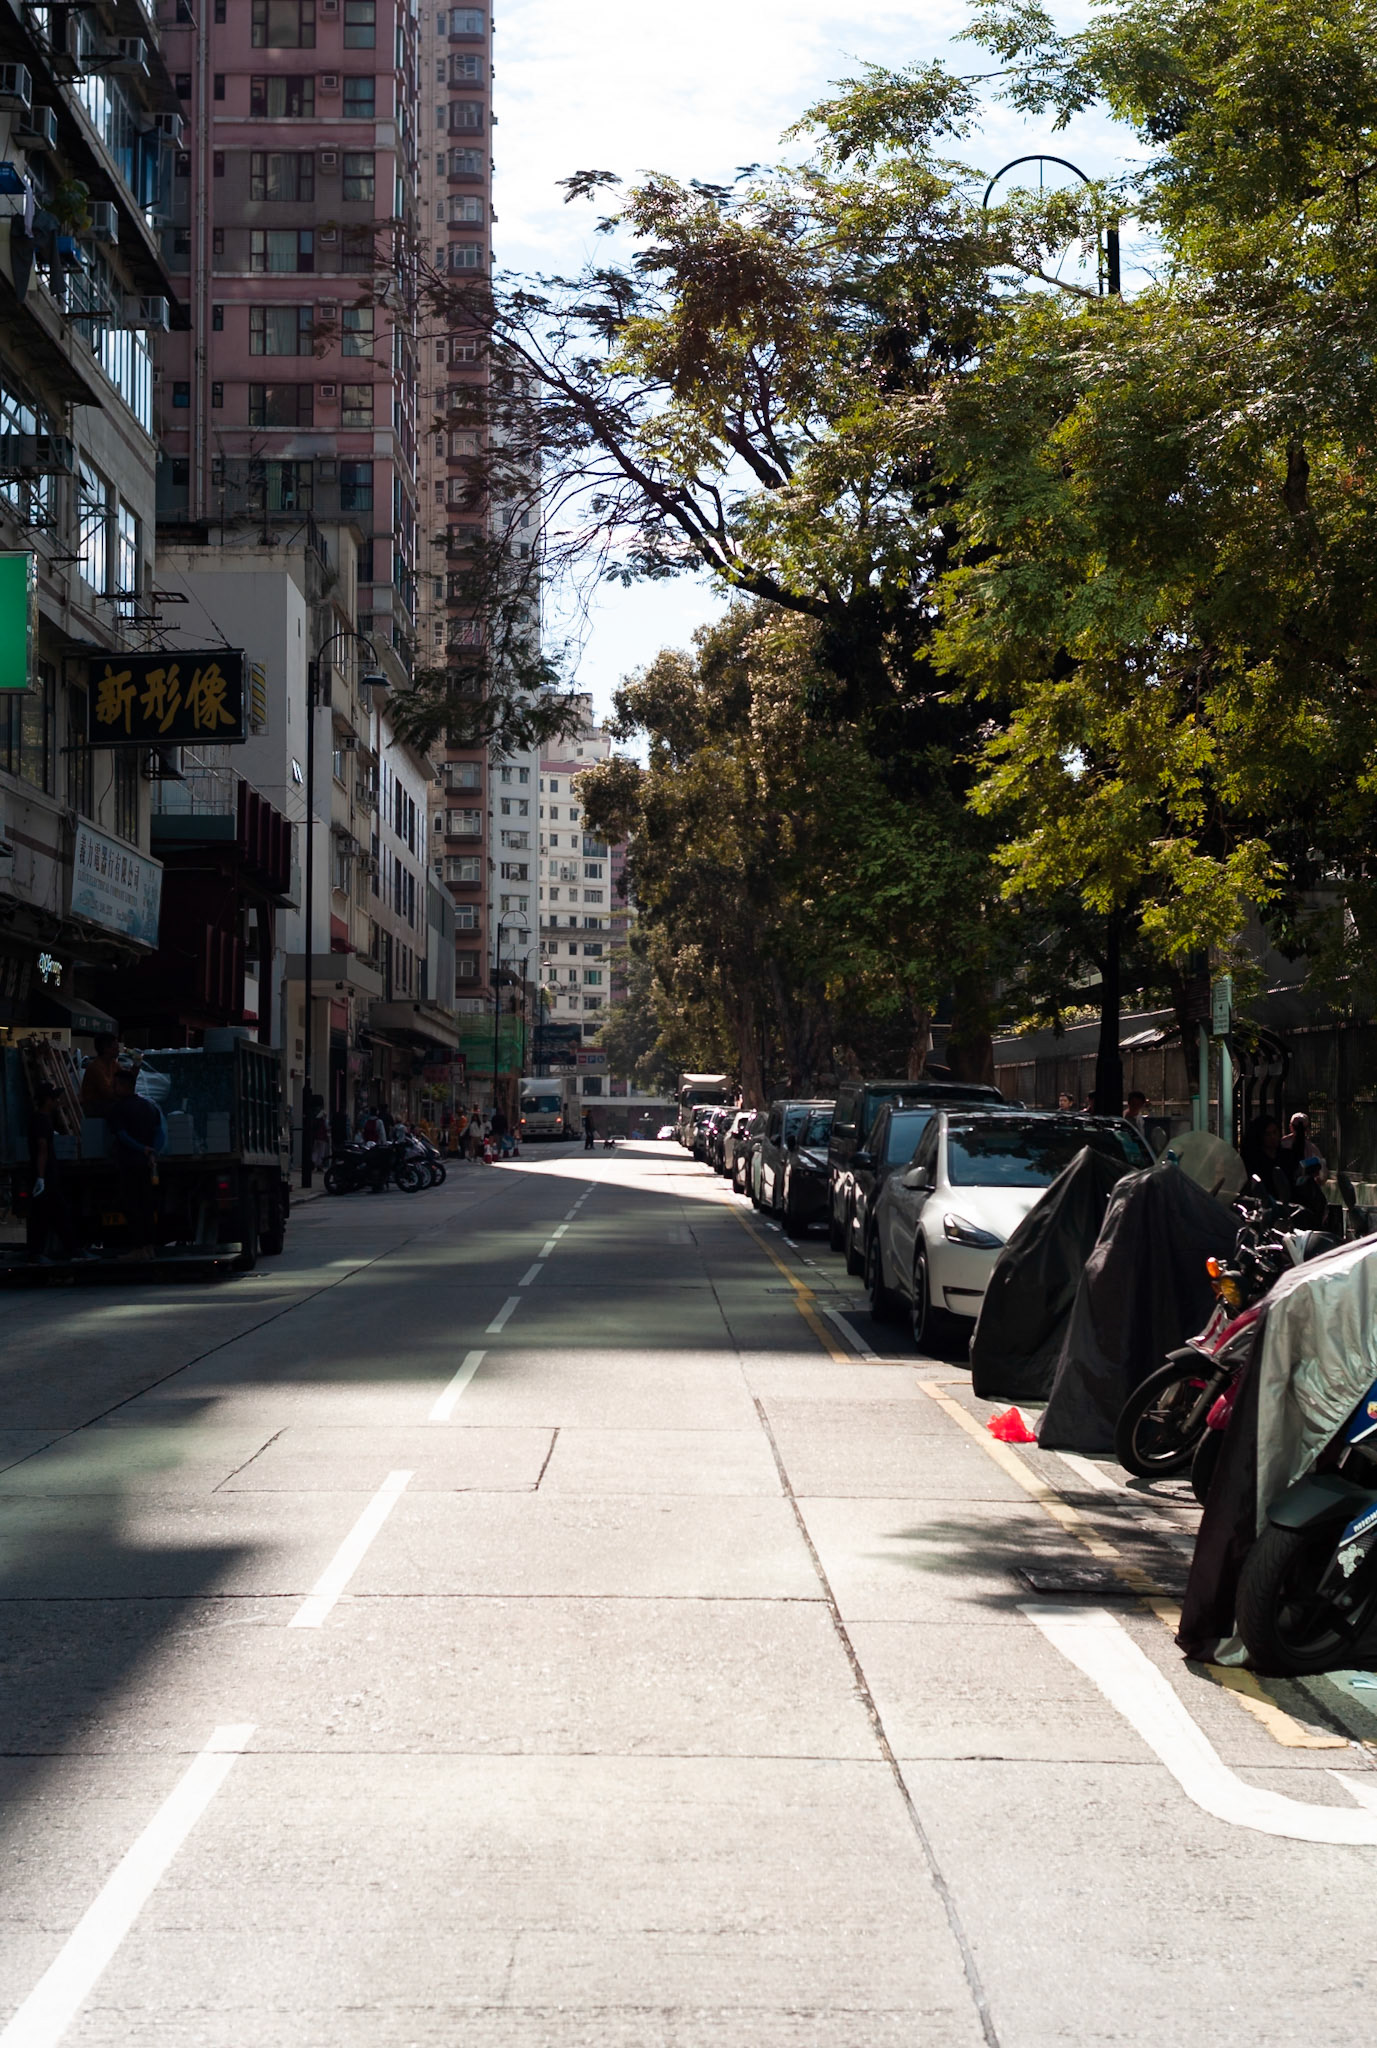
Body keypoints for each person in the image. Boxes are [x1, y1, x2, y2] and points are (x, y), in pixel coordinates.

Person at [106, 1061, 166, 1259]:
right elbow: (160, 1133)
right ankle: (149, 1247)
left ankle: (139, 1247)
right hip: (148, 1165)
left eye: (115, 1085)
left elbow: (122, 1136)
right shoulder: (149, 1106)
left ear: (124, 1086)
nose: (113, 1089)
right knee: (147, 1206)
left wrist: (142, 1149)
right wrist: (153, 1152)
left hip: (129, 1164)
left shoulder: (118, 1109)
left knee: (131, 1206)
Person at [25, 1080, 66, 1263]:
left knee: (54, 1213)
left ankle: (70, 1249)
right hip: (45, 1174)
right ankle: (37, 1252)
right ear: (47, 1100)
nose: (57, 1101)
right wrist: (41, 1177)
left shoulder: (43, 1119)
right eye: (55, 1098)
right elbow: (42, 1148)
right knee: (45, 1214)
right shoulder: (41, 1120)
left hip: (46, 1174)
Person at [1280, 1111, 1327, 1221]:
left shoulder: (1281, 1144)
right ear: (1308, 1129)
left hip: (1284, 1195)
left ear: (1291, 1127)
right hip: (1306, 1199)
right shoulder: (1313, 1149)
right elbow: (1322, 1177)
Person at [1241, 1116, 1294, 1207]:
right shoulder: (1252, 1160)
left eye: (1275, 1132)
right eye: (1267, 1134)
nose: (1273, 1137)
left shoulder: (1287, 1156)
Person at [79, 1031, 122, 1119]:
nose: (118, 1050)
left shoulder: (113, 1063)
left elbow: (127, 1080)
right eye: (116, 1047)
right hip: (94, 1106)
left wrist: (136, 1065)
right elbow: (108, 1093)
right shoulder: (95, 1067)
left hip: (106, 1102)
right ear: (106, 1049)